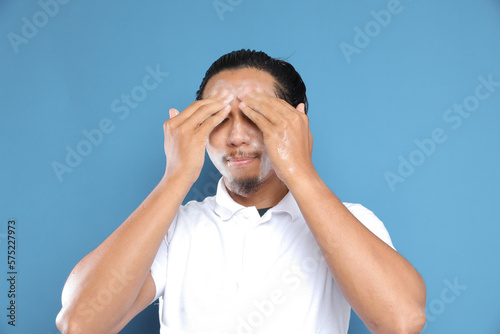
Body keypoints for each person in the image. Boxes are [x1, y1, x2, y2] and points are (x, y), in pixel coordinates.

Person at [56, 49, 426, 334]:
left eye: (256, 116)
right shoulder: (174, 230)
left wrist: (299, 168)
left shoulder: (352, 222)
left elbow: (402, 321)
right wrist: (175, 178)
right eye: (217, 118)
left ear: (296, 123)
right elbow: (80, 323)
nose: (235, 137)